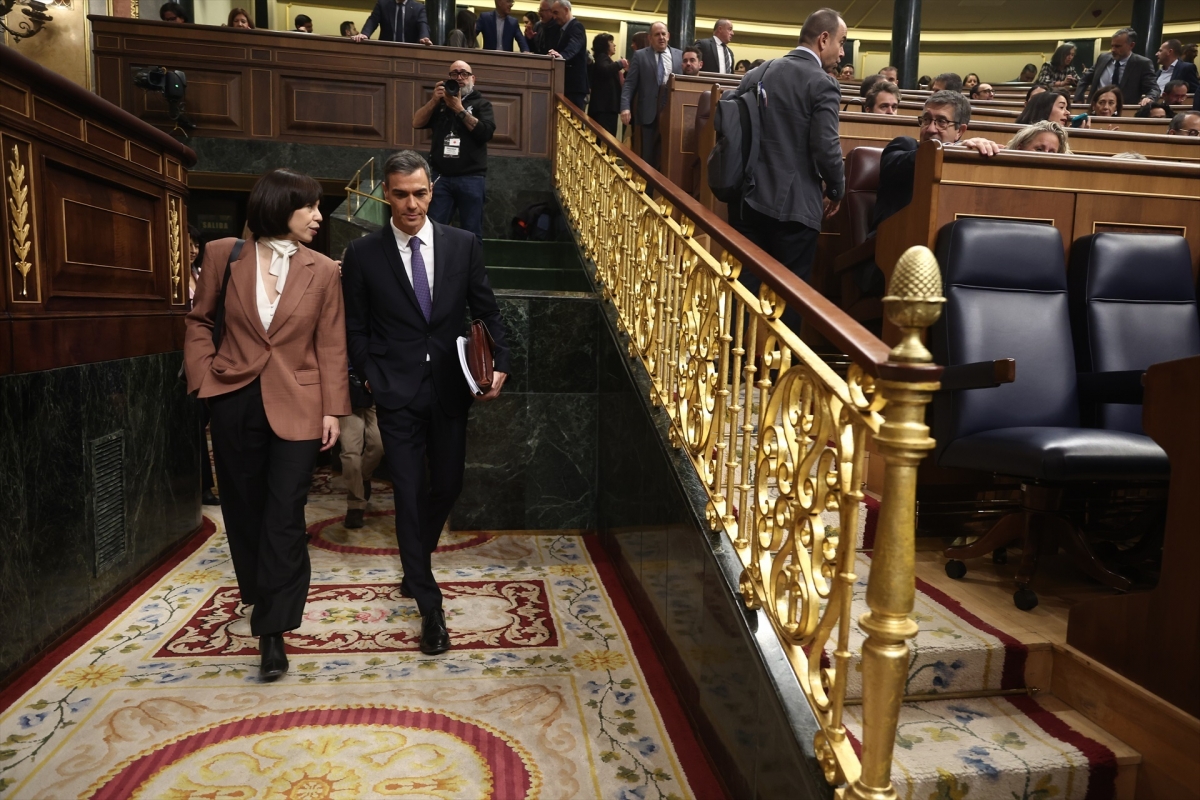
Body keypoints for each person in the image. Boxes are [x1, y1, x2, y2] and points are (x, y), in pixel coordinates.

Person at [341, 151, 511, 657]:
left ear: (431, 192)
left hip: (450, 389)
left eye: (419, 193)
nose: (411, 204)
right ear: (385, 195)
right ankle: (429, 606)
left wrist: (499, 362)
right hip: (394, 393)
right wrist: (371, 375)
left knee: (449, 484)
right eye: (400, 194)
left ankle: (415, 557)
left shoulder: (463, 244)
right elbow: (355, 327)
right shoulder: (364, 254)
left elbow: (486, 310)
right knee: (410, 493)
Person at [184, 168, 349, 680]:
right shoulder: (222, 254)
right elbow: (198, 320)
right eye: (311, 207)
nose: (320, 217)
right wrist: (205, 380)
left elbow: (331, 343)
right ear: (280, 205)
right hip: (233, 398)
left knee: (284, 513)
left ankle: (273, 630)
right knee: (245, 508)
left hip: (299, 404)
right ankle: (259, 594)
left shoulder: (323, 270)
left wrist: (332, 409)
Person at [726, 7, 846, 333]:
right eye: (841, 41)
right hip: (794, 208)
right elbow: (826, 148)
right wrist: (836, 190)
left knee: (744, 293)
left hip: (745, 200)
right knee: (788, 300)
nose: (843, 51)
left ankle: (735, 370)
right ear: (824, 39)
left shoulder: (757, 73)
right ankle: (780, 380)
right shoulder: (822, 83)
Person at [874, 91, 1002, 231]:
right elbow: (894, 165)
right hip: (892, 241)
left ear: (960, 131)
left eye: (942, 122)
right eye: (926, 119)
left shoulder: (967, 167)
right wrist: (953, 149)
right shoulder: (904, 146)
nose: (930, 129)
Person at [413, 60, 495, 243]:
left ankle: (472, 272)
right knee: (433, 231)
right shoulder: (440, 103)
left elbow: (486, 133)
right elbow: (416, 122)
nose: (459, 78)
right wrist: (435, 100)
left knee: (472, 233)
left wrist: (459, 108)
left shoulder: (482, 104)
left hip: (472, 177)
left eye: (464, 74)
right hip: (441, 177)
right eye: (454, 74)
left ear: (472, 78)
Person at [620, 21, 681, 168]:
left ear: (669, 36)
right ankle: (646, 189)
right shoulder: (640, 56)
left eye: (663, 34)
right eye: (657, 34)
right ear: (650, 38)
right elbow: (629, 84)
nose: (661, 37)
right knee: (647, 157)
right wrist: (625, 107)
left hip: (672, 113)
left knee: (669, 155)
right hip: (648, 113)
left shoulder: (679, 55)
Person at [338, 367, 382, 530]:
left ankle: (363, 478)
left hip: (375, 392)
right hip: (347, 395)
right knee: (350, 453)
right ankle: (355, 505)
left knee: (379, 444)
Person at [1087, 27, 1159, 106]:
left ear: (1131, 45)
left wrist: (1150, 97)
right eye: (1112, 46)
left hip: (1124, 111)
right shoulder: (1102, 58)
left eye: (1117, 46)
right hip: (1097, 108)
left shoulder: (1142, 64)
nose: (1113, 50)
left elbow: (1153, 88)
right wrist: (1078, 97)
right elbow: (1085, 78)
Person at [548, 0, 588, 110]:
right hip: (566, 86)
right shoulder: (560, 30)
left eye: (556, 13)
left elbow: (573, 47)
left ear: (566, 10)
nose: (554, 17)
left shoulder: (577, 27)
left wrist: (561, 56)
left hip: (574, 88)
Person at [588, 33, 624, 136]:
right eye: (611, 42)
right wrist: (619, 63)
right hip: (604, 109)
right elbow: (605, 69)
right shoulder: (602, 57)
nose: (614, 45)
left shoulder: (605, 60)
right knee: (606, 140)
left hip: (606, 109)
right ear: (604, 45)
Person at [353, 0, 432, 45]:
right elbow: (373, 20)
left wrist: (424, 37)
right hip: (386, 51)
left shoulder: (418, 7)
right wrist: (365, 34)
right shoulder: (382, 4)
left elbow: (423, 23)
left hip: (410, 53)